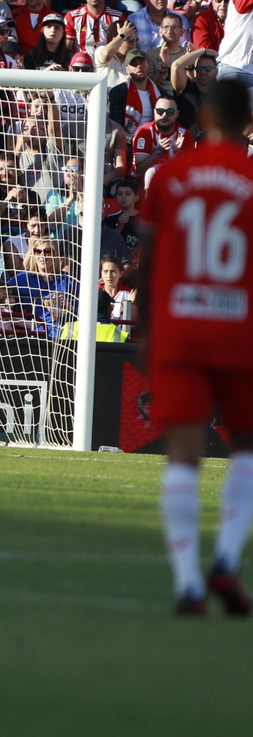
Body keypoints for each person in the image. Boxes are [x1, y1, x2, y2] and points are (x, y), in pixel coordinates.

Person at [133, 79, 253, 615]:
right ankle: (225, 559)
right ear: (248, 122)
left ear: (202, 117)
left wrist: (144, 326)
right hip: (239, 329)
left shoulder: (170, 176)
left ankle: (187, 582)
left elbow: (148, 261)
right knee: (247, 448)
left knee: (183, 454)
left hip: (181, 328)